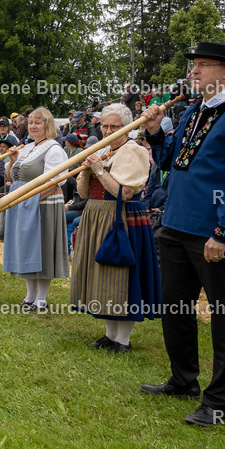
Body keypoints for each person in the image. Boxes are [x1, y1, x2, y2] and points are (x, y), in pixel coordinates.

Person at [139, 41, 225, 427]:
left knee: (224, 314)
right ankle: (183, 380)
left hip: (215, 233)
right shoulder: (194, 111)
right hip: (177, 225)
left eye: (202, 65)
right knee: (173, 307)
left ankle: (218, 401)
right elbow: (171, 163)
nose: (193, 72)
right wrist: (155, 133)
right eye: (193, 66)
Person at [69, 103, 160, 353]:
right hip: (96, 215)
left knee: (121, 274)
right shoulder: (104, 149)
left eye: (114, 126)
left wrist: (98, 168)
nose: (108, 130)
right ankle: (110, 335)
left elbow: (125, 193)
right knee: (102, 275)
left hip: (121, 217)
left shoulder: (134, 150)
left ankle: (123, 340)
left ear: (127, 128)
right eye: (104, 125)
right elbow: (84, 193)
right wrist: (87, 173)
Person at [0, 106, 69, 311]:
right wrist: (12, 161)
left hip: (42, 204)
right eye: (30, 122)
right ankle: (29, 296)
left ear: (47, 125)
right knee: (26, 247)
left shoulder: (54, 148)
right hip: (24, 202)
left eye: (38, 122)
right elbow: (11, 177)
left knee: (42, 248)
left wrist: (31, 199)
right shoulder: (28, 147)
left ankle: (41, 299)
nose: (33, 126)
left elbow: (56, 181)